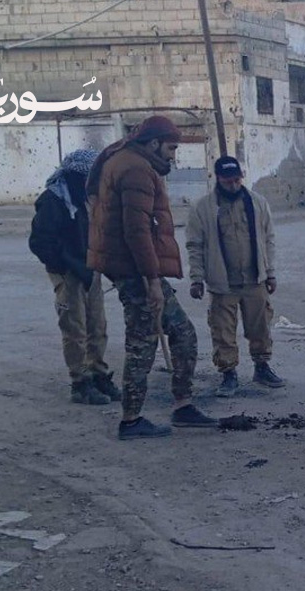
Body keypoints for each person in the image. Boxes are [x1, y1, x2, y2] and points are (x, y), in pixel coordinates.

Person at [85, 115, 218, 439]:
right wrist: (153, 280)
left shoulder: (125, 160)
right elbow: (137, 231)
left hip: (131, 270)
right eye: (171, 148)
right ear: (154, 143)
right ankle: (132, 420)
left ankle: (181, 406)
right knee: (144, 344)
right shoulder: (136, 169)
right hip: (137, 273)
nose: (173, 156)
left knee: (178, 335)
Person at [28, 148, 120, 406]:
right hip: (68, 274)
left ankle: (98, 374)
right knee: (75, 330)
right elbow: (40, 242)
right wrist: (64, 266)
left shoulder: (87, 200)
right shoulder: (53, 200)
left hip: (90, 270)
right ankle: (80, 383)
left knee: (98, 328)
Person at [186, 155, 283, 397]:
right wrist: (197, 278)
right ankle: (228, 373)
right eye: (228, 181)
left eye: (237, 180)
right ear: (218, 179)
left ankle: (262, 367)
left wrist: (270, 273)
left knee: (260, 327)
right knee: (223, 331)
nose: (233, 185)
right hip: (222, 282)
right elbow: (195, 245)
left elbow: (269, 239)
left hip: (255, 279)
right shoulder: (203, 208)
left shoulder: (258, 203)